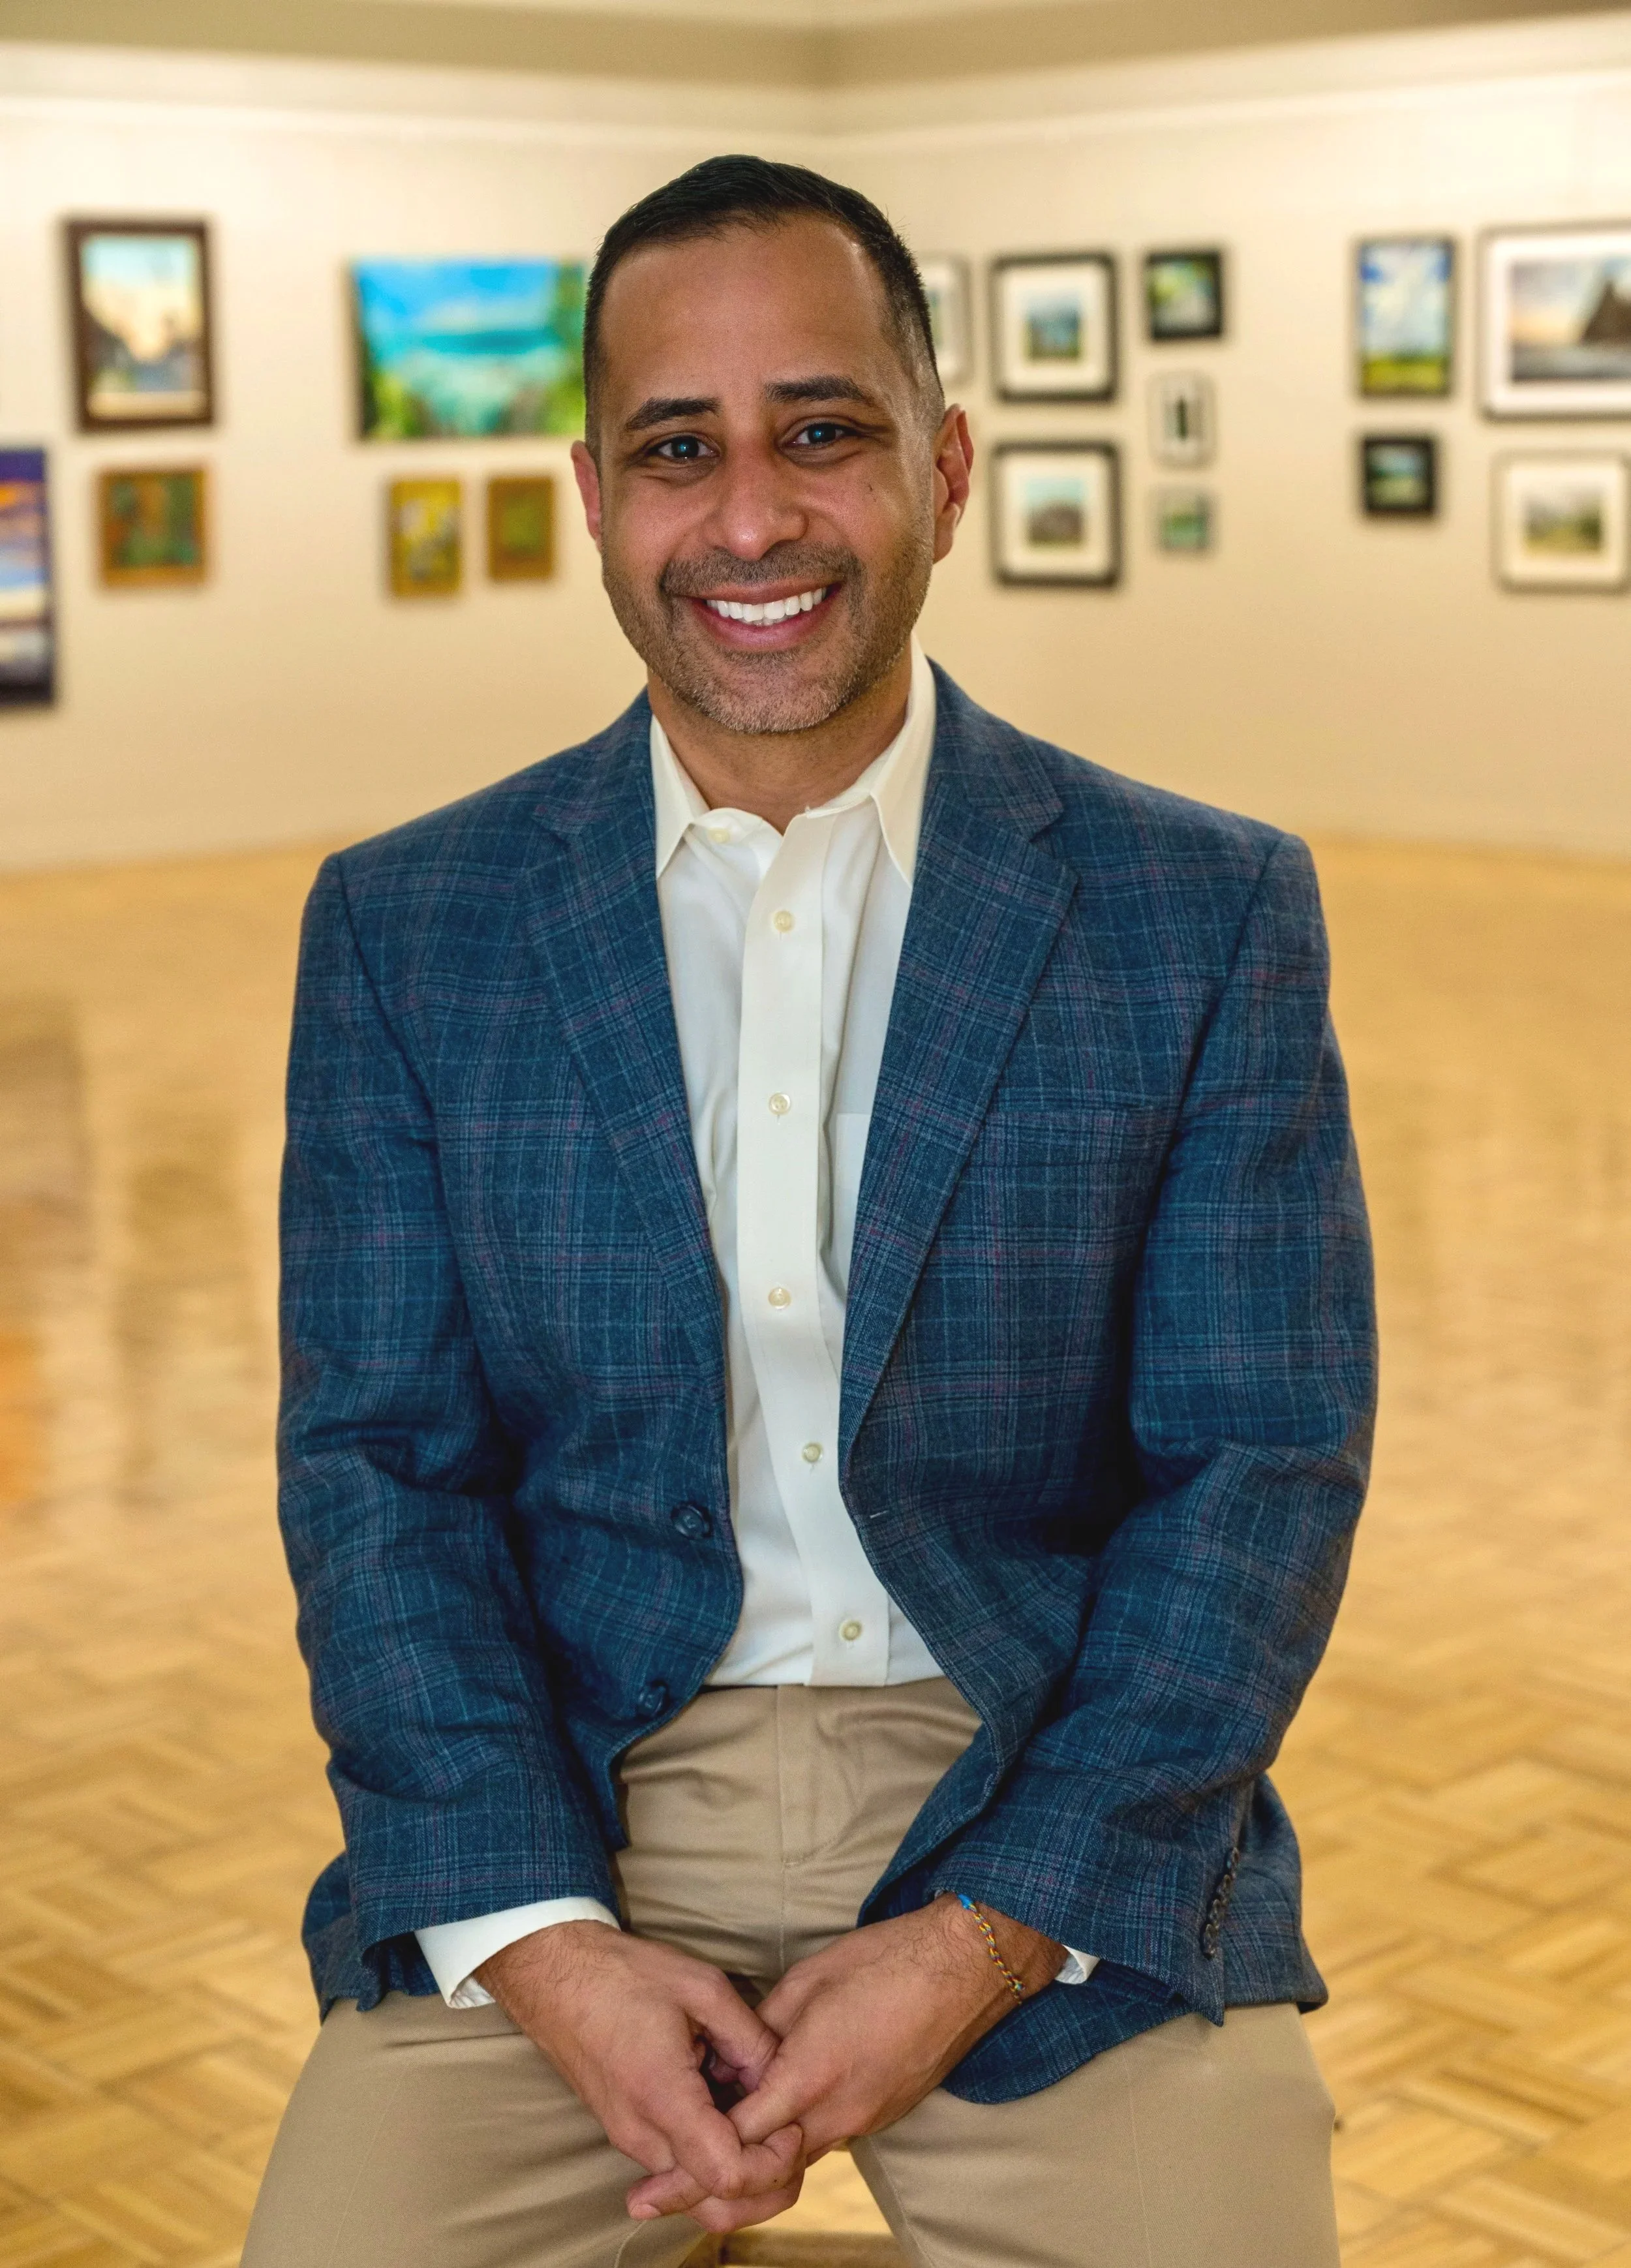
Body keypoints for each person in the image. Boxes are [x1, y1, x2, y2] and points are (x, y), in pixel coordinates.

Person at [245, 155, 1375, 2268]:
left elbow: (1258, 1468)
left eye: (821, 430)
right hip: (573, 1795)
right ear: (596, 497)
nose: (750, 518)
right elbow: (377, 1472)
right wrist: (537, 1936)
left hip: (1027, 1783)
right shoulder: (408, 925)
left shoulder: (1201, 908)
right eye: (679, 448)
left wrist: (997, 1924)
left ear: (942, 467)